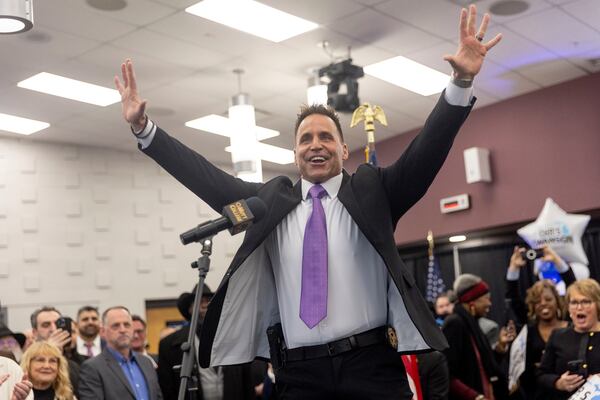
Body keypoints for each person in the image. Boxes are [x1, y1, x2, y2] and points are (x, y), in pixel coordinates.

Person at [115, 5, 501, 398]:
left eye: (326, 137)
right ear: (295, 154)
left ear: (344, 148)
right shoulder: (269, 201)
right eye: (305, 139)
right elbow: (207, 178)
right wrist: (146, 131)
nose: (315, 144)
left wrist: (460, 83)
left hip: (370, 366)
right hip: (299, 374)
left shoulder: (372, 191)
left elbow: (426, 153)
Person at [157, 285, 255, 400]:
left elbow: (248, 386)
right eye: (199, 301)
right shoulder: (169, 345)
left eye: (209, 301)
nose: (204, 305)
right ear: (190, 309)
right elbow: (167, 390)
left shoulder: (235, 339)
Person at [505, 245, 571, 399]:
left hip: (571, 393)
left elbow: (573, 286)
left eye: (548, 299)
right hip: (538, 395)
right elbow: (513, 297)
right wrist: (513, 268)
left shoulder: (571, 326)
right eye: (537, 301)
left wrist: (557, 261)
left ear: (558, 302)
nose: (543, 304)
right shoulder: (529, 330)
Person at [443, 274, 515, 400]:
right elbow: (447, 374)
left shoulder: (473, 324)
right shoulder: (455, 324)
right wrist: (475, 397)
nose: (489, 303)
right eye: (486, 298)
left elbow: (482, 365)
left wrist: (500, 347)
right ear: (472, 302)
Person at [79, 306, 162, 400]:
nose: (123, 330)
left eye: (127, 325)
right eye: (115, 326)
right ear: (103, 332)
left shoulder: (146, 362)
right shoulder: (92, 368)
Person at [537, 279, 600, 400]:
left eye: (586, 302)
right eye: (574, 302)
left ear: (597, 305)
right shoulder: (558, 336)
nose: (579, 307)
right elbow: (541, 375)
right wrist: (558, 382)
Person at [30, 307, 81, 396]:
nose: (53, 329)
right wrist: (50, 350)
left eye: (58, 323)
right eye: (46, 325)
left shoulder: (77, 362)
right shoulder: (27, 361)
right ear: (35, 333)